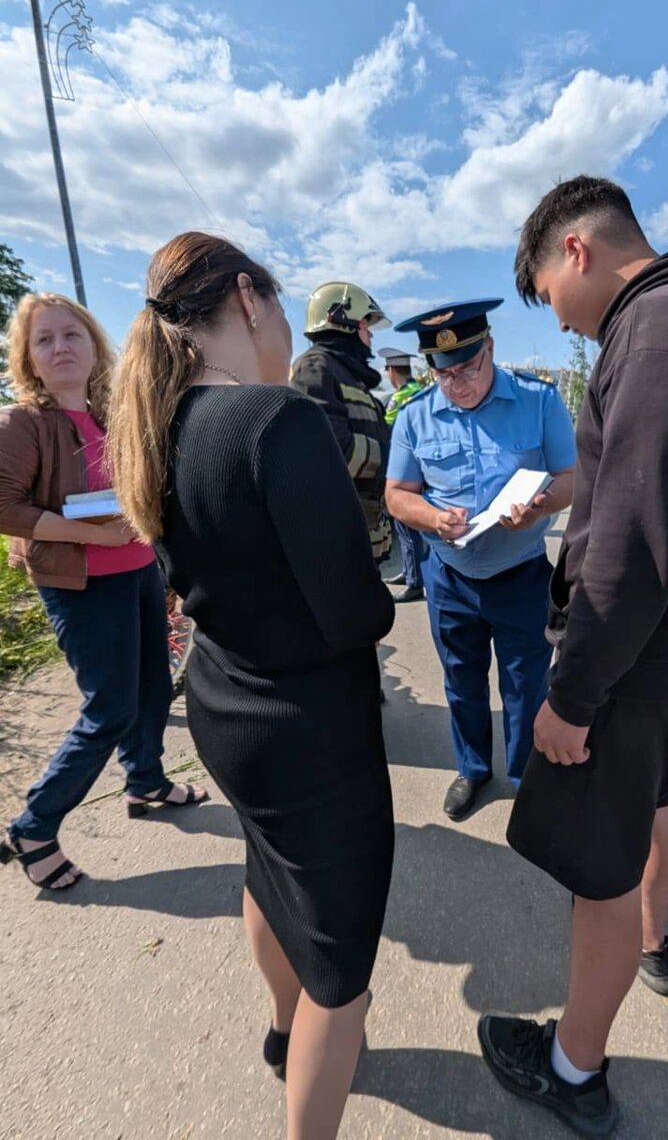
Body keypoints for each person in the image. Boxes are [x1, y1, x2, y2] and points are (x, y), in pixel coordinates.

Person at [476, 176, 668, 1136]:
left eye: (547, 296)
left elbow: (630, 543)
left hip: (631, 669)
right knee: (642, 823)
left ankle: (573, 1069)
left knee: (599, 876)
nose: (558, 325)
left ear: (576, 253)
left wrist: (573, 694)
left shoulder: (660, 332)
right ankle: (587, 1038)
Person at [106, 233, 395, 1140]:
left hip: (227, 707)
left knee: (270, 878)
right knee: (342, 974)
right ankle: (306, 1056)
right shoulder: (276, 419)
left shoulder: (161, 426)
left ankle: (281, 1029)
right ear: (248, 297)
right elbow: (356, 613)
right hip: (311, 727)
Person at [0, 294, 207, 893]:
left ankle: (144, 780)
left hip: (139, 572)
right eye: (45, 340)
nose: (60, 347)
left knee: (150, 686)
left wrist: (157, 563)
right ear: (29, 358)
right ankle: (34, 826)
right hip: (82, 585)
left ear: (94, 346)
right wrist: (90, 535)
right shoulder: (22, 424)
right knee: (108, 710)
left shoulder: (111, 415)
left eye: (72, 335)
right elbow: (4, 506)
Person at [385, 299, 576, 820]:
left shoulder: (539, 401)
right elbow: (397, 494)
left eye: (468, 367)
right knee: (461, 680)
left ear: (490, 348)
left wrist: (539, 507)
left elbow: (571, 478)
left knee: (524, 684)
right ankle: (472, 770)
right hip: (450, 577)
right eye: (444, 373)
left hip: (520, 575)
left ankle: (524, 778)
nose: (458, 383)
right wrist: (431, 518)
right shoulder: (414, 415)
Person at [290, 282, 393, 564]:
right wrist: (395, 458)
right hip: (338, 535)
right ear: (342, 320)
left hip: (363, 527)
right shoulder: (315, 368)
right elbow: (332, 451)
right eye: (364, 324)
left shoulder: (347, 374)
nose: (370, 334)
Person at [378, 346, 426, 603]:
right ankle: (410, 572)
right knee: (413, 528)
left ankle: (414, 582)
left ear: (391, 371)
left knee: (406, 527)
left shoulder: (400, 398)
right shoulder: (420, 392)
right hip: (421, 472)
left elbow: (385, 430)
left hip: (404, 472)